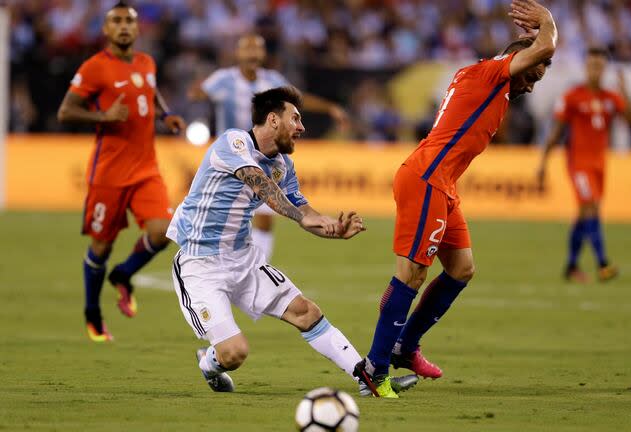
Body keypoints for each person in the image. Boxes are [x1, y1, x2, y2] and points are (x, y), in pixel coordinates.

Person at [352, 0, 557, 398]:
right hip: (426, 179)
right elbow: (545, 46)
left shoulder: (484, 81)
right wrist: (547, 20)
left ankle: (403, 346)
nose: (532, 84)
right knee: (410, 274)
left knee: (461, 268)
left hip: (443, 184)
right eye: (532, 73)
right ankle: (374, 372)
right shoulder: (490, 74)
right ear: (513, 60)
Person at [167, 86, 416, 396]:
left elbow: (301, 206)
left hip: (244, 260)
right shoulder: (234, 143)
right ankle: (210, 364)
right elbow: (261, 187)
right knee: (234, 353)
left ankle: (368, 381)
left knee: (306, 312)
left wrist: (331, 227)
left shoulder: (283, 164)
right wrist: (303, 218)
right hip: (200, 264)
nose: (301, 127)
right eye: (295, 119)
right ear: (273, 120)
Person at [57, 1, 186, 342]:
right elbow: (66, 112)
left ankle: (124, 274)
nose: (124, 26)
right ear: (105, 29)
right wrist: (103, 117)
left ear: (137, 27)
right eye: (116, 21)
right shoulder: (95, 67)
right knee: (101, 247)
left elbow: (150, 89)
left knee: (165, 231)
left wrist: (165, 114)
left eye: (129, 21)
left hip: (146, 169)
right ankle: (92, 314)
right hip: (109, 173)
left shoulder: (146, 61)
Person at [188, 34, 349, 262]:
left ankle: (257, 266)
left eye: (257, 49)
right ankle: (213, 261)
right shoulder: (223, 79)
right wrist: (197, 91)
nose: (253, 54)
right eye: (248, 49)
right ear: (238, 54)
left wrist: (330, 108)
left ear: (263, 54)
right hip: (233, 157)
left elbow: (298, 100)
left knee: (264, 217)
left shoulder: (271, 80)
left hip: (263, 156)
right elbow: (198, 91)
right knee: (230, 215)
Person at [536, 47, 631, 282]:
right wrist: (542, 163)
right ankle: (603, 263)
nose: (595, 71)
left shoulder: (611, 98)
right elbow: (556, 133)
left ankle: (571, 266)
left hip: (600, 164)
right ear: (585, 67)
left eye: (599, 66)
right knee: (590, 207)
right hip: (577, 163)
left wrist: (624, 91)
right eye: (592, 65)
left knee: (584, 213)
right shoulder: (572, 97)